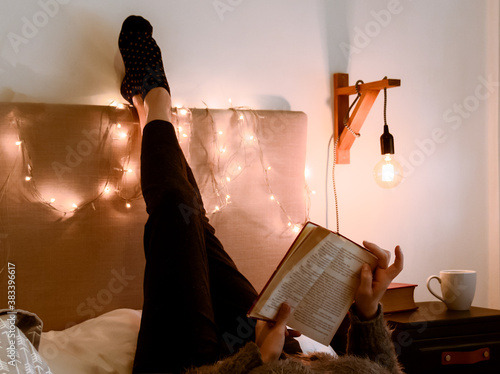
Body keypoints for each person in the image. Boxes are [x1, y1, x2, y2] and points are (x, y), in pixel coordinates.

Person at [118, 15, 405, 374]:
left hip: (204, 368)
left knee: (176, 206)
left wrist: (258, 358)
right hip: (284, 357)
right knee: (194, 224)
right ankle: (148, 109)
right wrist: (366, 311)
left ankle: (156, 101)